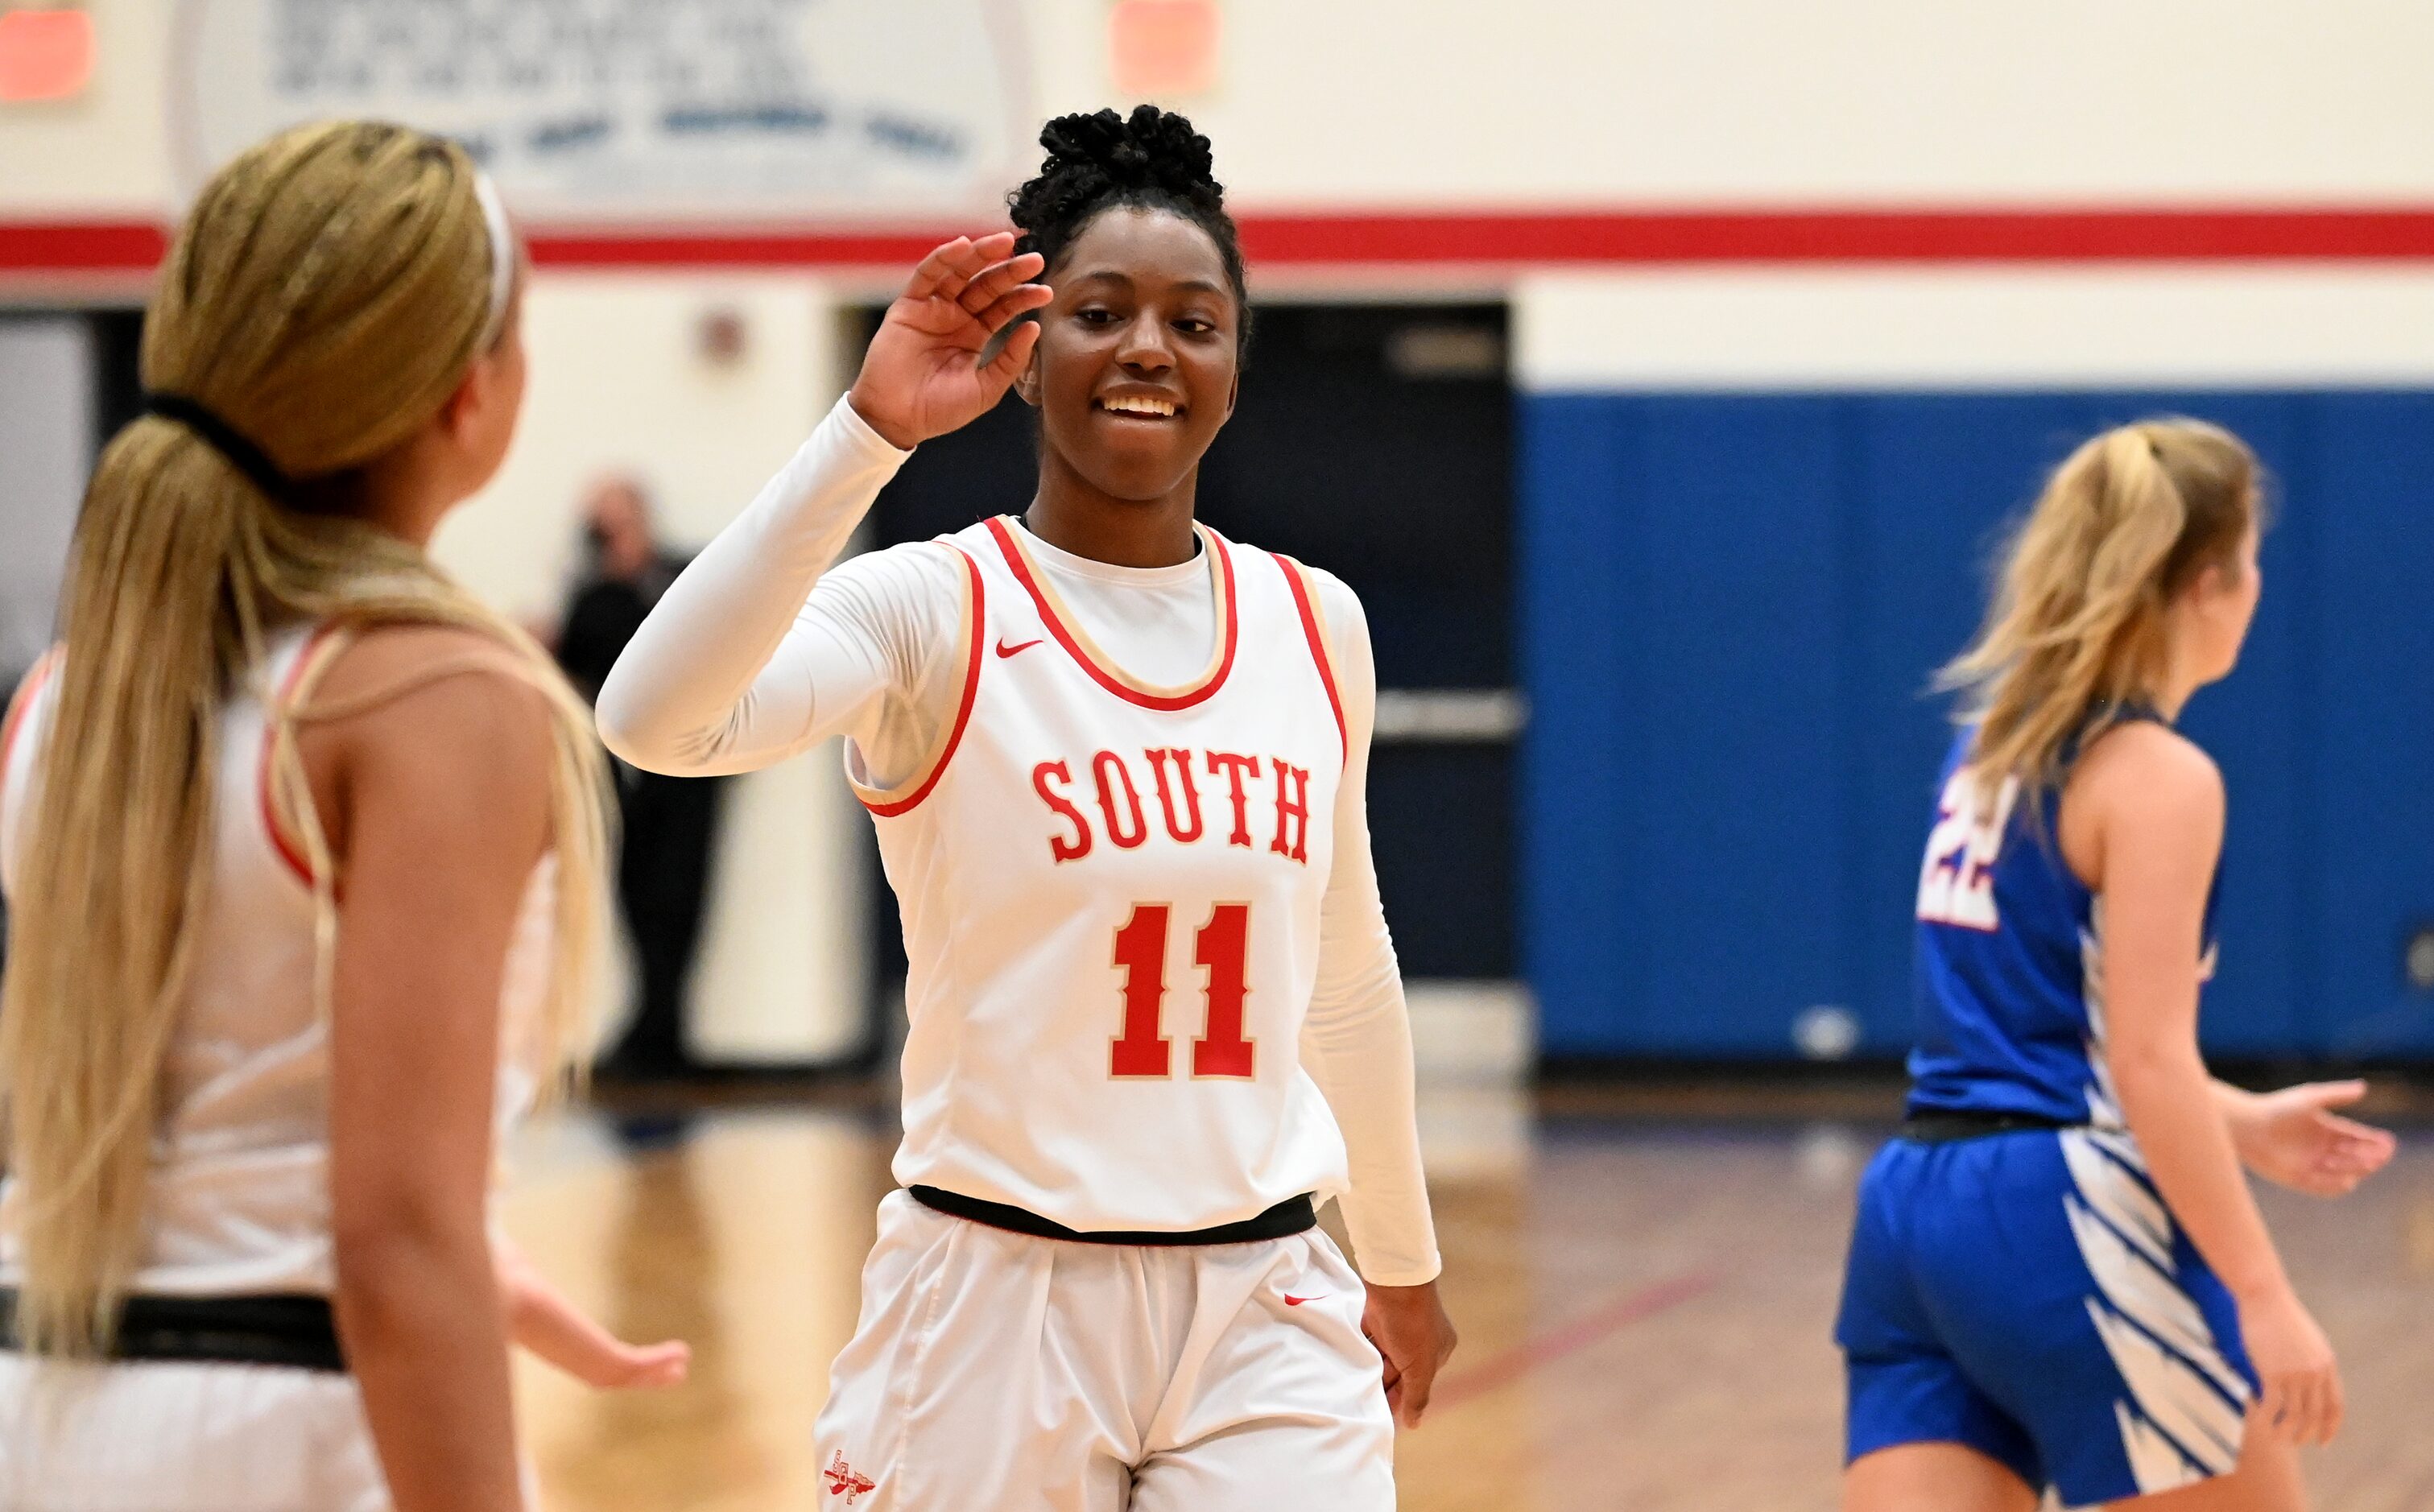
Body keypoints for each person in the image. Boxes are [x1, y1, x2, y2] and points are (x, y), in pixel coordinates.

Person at [597, 105, 1455, 1509]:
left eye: (1195, 320)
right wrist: (867, 429)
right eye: (1099, 310)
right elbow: (654, 717)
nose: (1146, 348)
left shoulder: (1316, 624)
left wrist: (1403, 1261)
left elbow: (1343, 974)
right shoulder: (930, 606)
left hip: (1265, 1301)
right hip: (988, 1295)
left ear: (1234, 364)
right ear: (1021, 352)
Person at [0, 120, 680, 1512]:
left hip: (41, 1393)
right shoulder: (436, 689)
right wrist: (452, 1259)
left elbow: (216, 1104)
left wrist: (480, 1265)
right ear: (464, 396)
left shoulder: (67, 692)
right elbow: (388, 1239)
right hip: (296, 1422)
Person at [1836, 420, 2397, 1512]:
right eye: (2250, 559)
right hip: (2060, 1217)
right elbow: (2141, 1059)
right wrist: (2262, 1293)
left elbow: (2027, 1036)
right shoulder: (2158, 778)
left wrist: (2230, 1118)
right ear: (2206, 581)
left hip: (1912, 1217)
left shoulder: (1988, 738)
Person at [553, 476, 725, 1080]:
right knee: (633, 903)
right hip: (621, 781)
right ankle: (648, 1030)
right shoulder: (592, 595)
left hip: (685, 779)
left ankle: (665, 1033)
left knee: (679, 903)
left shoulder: (679, 580)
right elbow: (574, 672)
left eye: (612, 520)